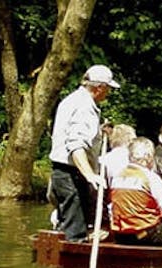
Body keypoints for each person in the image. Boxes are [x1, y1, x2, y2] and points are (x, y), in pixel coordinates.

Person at [48, 64, 120, 242]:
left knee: (70, 225)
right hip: (71, 174)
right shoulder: (85, 107)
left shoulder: (72, 100)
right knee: (76, 233)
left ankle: (61, 263)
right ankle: (73, 264)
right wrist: (89, 175)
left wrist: (98, 131)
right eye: (108, 88)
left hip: (61, 173)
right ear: (99, 88)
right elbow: (76, 146)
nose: (108, 93)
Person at [110, 137, 162, 245]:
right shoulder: (150, 177)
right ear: (148, 157)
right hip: (144, 236)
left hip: (121, 235)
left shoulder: (117, 177)